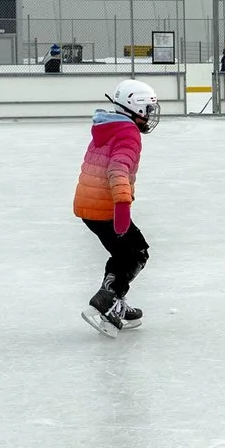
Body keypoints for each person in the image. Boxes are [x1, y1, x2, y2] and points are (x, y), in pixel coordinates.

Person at [74, 79, 159, 332]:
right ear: (137, 108)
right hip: (106, 206)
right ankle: (105, 302)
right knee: (137, 252)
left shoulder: (109, 125)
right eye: (149, 110)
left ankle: (115, 300)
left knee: (123, 254)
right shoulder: (127, 132)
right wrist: (122, 208)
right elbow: (118, 170)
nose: (150, 117)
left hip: (89, 204)